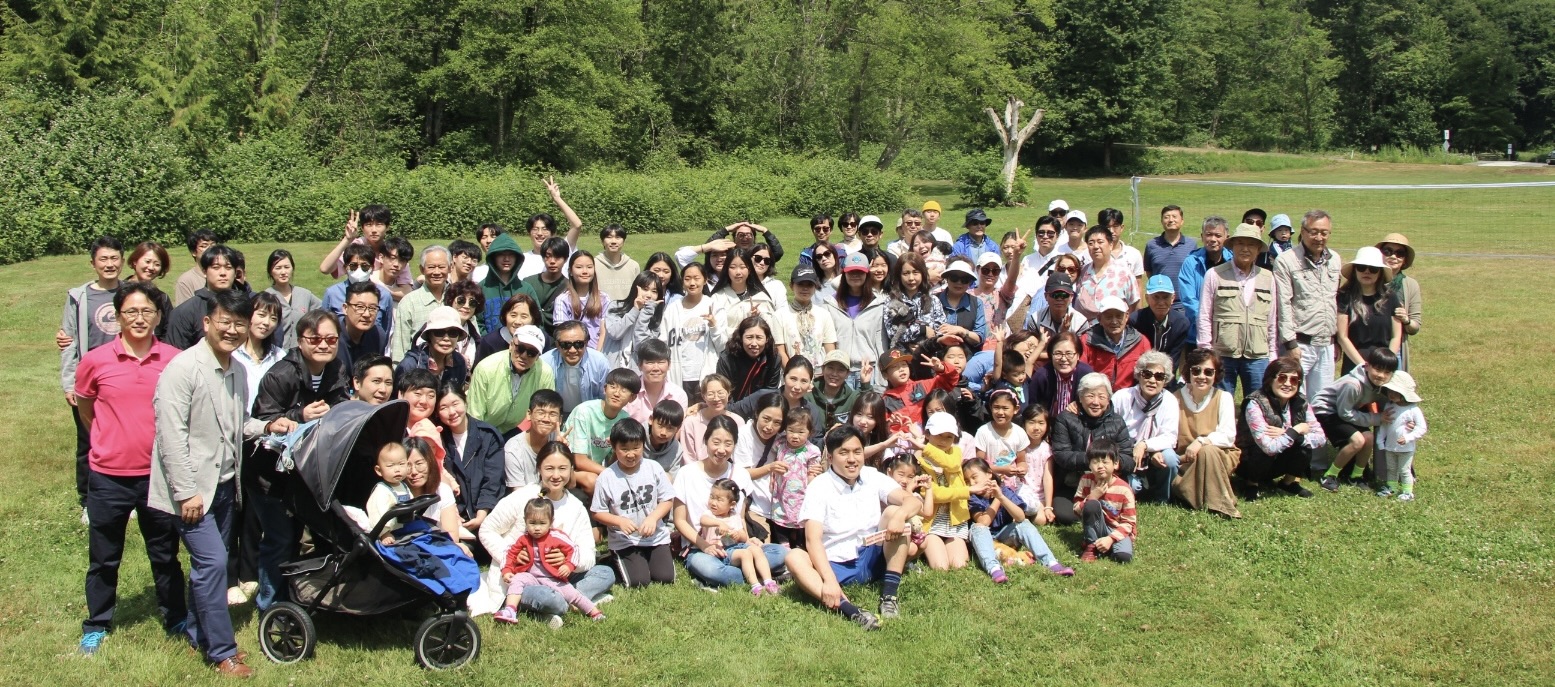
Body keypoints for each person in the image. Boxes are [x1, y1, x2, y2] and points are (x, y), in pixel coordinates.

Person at [149, 289, 295, 677]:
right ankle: (221, 651)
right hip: (192, 491)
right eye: (225, 323)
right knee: (213, 564)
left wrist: (266, 425)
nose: (232, 330)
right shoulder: (183, 369)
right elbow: (170, 436)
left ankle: (198, 633)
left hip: (224, 486)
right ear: (207, 323)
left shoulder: (236, 370)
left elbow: (235, 423)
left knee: (207, 568)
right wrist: (185, 492)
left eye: (239, 324)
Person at [74, 282, 187, 656]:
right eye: (131, 312)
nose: (139, 319)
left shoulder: (173, 359)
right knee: (104, 557)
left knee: (165, 554)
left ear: (157, 316)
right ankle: (97, 623)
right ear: (118, 317)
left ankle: (176, 618)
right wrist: (110, 441)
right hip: (108, 477)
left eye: (147, 312)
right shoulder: (95, 360)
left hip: (157, 477)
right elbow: (87, 409)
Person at [249, 309, 350, 609]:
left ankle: (301, 597)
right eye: (315, 339)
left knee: (306, 538)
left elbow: (340, 405)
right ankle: (270, 605)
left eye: (331, 339)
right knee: (280, 538)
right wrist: (299, 415)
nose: (323, 345)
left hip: (307, 470)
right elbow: (261, 421)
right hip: (269, 473)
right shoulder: (281, 374)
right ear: (300, 340)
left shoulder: (336, 369)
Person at [785, 425, 922, 629]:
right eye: (844, 452)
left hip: (871, 555)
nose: (852, 459)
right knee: (794, 558)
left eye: (857, 452)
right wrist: (830, 581)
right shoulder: (819, 486)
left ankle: (889, 597)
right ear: (830, 458)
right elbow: (812, 540)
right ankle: (849, 609)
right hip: (837, 564)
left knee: (894, 512)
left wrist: (900, 515)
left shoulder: (871, 475)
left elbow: (913, 502)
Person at [479, 443, 616, 624]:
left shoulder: (576, 507)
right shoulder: (523, 496)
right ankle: (575, 601)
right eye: (549, 468)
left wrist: (569, 563)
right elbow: (487, 529)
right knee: (549, 598)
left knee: (606, 573)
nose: (556, 475)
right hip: (525, 577)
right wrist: (510, 555)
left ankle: (568, 601)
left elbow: (588, 553)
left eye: (562, 468)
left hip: (560, 576)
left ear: (571, 469)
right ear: (539, 469)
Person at [61, 236, 125, 520]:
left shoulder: (131, 292)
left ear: (122, 261)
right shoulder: (78, 297)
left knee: (125, 436)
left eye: (114, 258)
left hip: (124, 377)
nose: (109, 264)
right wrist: (69, 382)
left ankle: (126, 494)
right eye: (104, 259)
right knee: (88, 440)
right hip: (90, 380)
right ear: (93, 263)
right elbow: (70, 341)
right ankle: (88, 501)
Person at [1273, 210, 1342, 449]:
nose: (1319, 237)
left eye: (1324, 232)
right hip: (1300, 343)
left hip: (1326, 342)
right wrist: (1290, 344)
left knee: (1321, 401)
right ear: (1303, 232)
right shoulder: (1287, 261)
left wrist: (1337, 341)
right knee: (1295, 400)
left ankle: (1317, 456)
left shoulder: (1335, 260)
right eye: (1314, 232)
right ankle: (1293, 454)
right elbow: (1284, 304)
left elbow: (1335, 300)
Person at [590, 419, 676, 587]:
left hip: (654, 537)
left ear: (643, 445)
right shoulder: (606, 477)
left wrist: (652, 518)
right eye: (624, 449)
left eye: (636, 448)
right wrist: (619, 521)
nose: (631, 454)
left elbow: (667, 499)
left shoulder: (653, 468)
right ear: (614, 448)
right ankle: (613, 558)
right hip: (625, 540)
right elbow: (597, 512)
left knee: (665, 577)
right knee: (638, 581)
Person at [1198, 223, 1279, 397]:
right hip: (1223, 353)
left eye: (1251, 244)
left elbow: (1271, 320)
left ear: (1258, 249)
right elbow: (1204, 315)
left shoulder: (1268, 278)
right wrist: (1207, 351)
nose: (1245, 249)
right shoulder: (1214, 274)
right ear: (1232, 246)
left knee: (1259, 404)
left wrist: (1272, 354)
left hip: (1258, 355)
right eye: (1240, 243)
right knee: (1221, 404)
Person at [494, 498, 605, 624]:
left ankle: (595, 612)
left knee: (573, 594)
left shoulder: (556, 536)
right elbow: (509, 553)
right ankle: (510, 610)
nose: (537, 528)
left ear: (551, 522)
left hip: (553, 578)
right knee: (517, 580)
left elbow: (573, 549)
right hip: (531, 577)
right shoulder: (524, 538)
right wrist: (507, 570)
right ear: (525, 521)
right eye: (532, 523)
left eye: (542, 523)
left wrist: (569, 565)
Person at [964, 458, 1074, 581]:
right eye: (967, 481)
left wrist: (1001, 496)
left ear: (989, 474)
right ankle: (994, 569)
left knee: (1024, 524)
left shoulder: (1005, 491)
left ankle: (1051, 563)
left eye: (974, 477)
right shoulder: (972, 497)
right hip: (986, 541)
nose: (972, 483)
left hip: (1005, 535)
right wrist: (997, 499)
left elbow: (1020, 516)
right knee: (977, 528)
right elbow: (983, 522)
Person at [1049, 372, 1135, 525]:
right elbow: (1062, 455)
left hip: (1107, 483)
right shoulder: (1065, 418)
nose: (1096, 402)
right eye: (1090, 396)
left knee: (1111, 513)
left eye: (1101, 397)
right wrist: (1094, 460)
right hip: (1074, 482)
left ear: (1108, 399)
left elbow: (1128, 459)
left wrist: (1108, 465)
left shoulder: (1117, 421)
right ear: (1080, 398)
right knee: (1066, 516)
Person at [1312, 348, 1398, 492]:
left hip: (1346, 410)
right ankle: (1330, 476)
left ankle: (1356, 476)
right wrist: (1376, 418)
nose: (1381, 375)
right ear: (1367, 365)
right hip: (1326, 411)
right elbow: (1344, 413)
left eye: (1387, 372)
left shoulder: (1378, 384)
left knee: (1369, 438)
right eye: (1377, 369)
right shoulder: (1353, 385)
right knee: (1357, 441)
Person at [1236, 354, 1319, 502]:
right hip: (1249, 461)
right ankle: (1251, 484)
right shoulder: (1254, 403)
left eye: (1294, 380)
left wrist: (1290, 434)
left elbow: (1320, 438)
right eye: (1282, 378)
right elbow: (1268, 447)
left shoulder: (1301, 402)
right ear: (1270, 379)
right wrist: (1295, 430)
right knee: (1262, 449)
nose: (1288, 384)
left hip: (1279, 457)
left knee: (1304, 446)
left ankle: (1288, 482)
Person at [436, 384, 505, 538]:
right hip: (453, 516)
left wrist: (481, 515)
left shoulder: (488, 435)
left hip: (487, 513)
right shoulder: (437, 438)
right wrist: (452, 514)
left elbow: (493, 479)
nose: (452, 412)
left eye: (455, 404)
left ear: (465, 402)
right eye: (444, 407)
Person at [1112, 351, 1180, 504]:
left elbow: (1170, 437)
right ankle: (1137, 488)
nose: (1152, 380)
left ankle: (1162, 498)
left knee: (1168, 458)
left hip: (1153, 451)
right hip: (1126, 452)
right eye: (1147, 374)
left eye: (1159, 376)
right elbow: (1110, 431)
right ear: (1139, 375)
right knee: (1133, 488)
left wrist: (1146, 446)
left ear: (1165, 380)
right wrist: (1131, 450)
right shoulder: (1121, 397)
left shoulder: (1170, 401)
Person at [563, 368, 642, 494]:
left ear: (632, 398)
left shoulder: (624, 419)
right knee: (593, 481)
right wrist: (612, 474)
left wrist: (616, 450)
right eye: (613, 387)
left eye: (624, 390)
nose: (617, 393)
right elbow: (579, 460)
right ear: (605, 389)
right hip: (570, 469)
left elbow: (613, 462)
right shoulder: (584, 412)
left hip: (599, 470)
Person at [468, 324, 555, 436]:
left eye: (531, 353)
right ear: (511, 345)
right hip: (484, 430)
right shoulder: (486, 368)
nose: (524, 356)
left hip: (519, 430)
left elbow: (544, 412)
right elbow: (475, 415)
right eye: (520, 349)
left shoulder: (545, 372)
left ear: (538, 356)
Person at [823, 252, 886, 387]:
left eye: (860, 272)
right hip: (839, 371)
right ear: (844, 274)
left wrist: (882, 380)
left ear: (867, 274)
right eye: (851, 272)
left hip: (869, 371)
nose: (855, 276)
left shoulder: (878, 304)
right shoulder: (830, 303)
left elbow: (881, 344)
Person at [1335, 246, 1402, 375]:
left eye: (1373, 269)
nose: (1367, 272)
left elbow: (1396, 336)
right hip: (1355, 365)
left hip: (1384, 365)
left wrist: (1385, 364)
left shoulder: (1391, 297)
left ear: (1380, 272)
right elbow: (1342, 337)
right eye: (1361, 267)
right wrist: (1364, 366)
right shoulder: (1344, 297)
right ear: (1355, 271)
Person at [317, 205, 414, 292]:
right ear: (362, 228)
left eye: (379, 225)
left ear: (387, 227)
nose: (374, 230)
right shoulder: (356, 248)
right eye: (369, 225)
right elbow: (325, 269)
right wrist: (347, 239)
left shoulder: (393, 252)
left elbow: (406, 291)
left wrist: (378, 288)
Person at [166, 244, 240, 349]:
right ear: (205, 271)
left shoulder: (247, 305)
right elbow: (175, 354)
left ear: (235, 272)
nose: (223, 273)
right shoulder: (185, 312)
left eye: (228, 267)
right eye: (216, 267)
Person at [1073, 439, 1136, 564]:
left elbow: (1129, 522)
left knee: (1123, 557)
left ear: (1116, 464)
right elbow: (1076, 509)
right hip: (1095, 525)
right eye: (1095, 462)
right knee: (1091, 504)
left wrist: (1111, 539)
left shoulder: (1124, 489)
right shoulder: (1085, 480)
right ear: (1089, 465)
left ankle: (1106, 545)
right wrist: (1093, 496)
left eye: (1105, 462)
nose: (1100, 466)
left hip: (1116, 529)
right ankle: (1091, 545)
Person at [390, 245, 453, 361]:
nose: (437, 272)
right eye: (431, 267)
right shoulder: (409, 302)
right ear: (422, 269)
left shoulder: (459, 299)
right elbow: (400, 347)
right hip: (418, 372)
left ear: (450, 268)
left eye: (441, 267)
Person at [319, 242, 394, 334]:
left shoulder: (384, 295)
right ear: (345, 268)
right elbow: (323, 325)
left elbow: (385, 329)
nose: (359, 270)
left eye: (365, 266)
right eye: (353, 266)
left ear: (372, 268)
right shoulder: (332, 293)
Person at [1081, 296, 1152, 392]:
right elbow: (1080, 374)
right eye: (1109, 317)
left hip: (1129, 397)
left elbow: (1149, 374)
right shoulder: (1087, 341)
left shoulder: (1141, 342)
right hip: (1096, 396)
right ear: (1099, 319)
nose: (1114, 321)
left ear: (1126, 317)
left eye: (1119, 316)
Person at [543, 321, 611, 418]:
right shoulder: (545, 362)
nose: (572, 350)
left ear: (586, 343)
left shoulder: (599, 362)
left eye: (578, 344)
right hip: (554, 417)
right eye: (566, 345)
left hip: (589, 417)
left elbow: (604, 397)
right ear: (557, 345)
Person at [1376, 233, 1423, 372]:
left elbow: (1415, 326)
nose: (1393, 256)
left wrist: (1406, 320)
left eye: (1399, 253)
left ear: (1405, 259)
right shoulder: (1367, 277)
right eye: (1387, 251)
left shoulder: (1410, 285)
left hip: (1395, 348)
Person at [1375, 371, 1425, 500]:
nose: (1391, 394)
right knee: (1391, 469)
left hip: (1406, 448)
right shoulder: (1389, 406)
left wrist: (1408, 437)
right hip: (1390, 446)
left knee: (1404, 470)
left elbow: (1422, 428)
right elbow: (1385, 425)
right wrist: (1380, 441)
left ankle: (1408, 492)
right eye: (1390, 391)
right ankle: (1392, 488)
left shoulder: (1413, 410)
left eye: (1396, 392)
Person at [395, 305, 469, 390]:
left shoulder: (460, 362)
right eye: (439, 332)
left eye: (453, 332)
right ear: (429, 335)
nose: (446, 338)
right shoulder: (410, 365)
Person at [1074, 225, 1139, 322]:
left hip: (1115, 331)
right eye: (1091, 243)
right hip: (1086, 333)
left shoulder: (1124, 274)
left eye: (1100, 242)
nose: (1096, 247)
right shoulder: (1082, 273)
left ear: (1111, 245)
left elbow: (1134, 305)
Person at [502, 390, 564, 490]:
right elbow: (518, 495)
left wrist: (563, 453)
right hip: (527, 502)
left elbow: (571, 484)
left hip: (554, 495)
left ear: (560, 420)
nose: (546, 419)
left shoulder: (560, 440)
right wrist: (543, 495)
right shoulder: (513, 449)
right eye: (541, 413)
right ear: (529, 414)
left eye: (552, 414)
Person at [677, 373, 743, 464]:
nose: (716, 398)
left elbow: (740, 456)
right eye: (711, 394)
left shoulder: (738, 422)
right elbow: (688, 459)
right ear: (703, 396)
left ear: (728, 393)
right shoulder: (691, 422)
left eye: (720, 393)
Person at [1175, 216, 1230, 325]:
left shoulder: (1233, 262)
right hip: (1198, 329)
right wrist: (1205, 323)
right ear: (1202, 236)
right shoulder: (1191, 263)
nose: (1213, 239)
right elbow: (1188, 299)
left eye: (1218, 235)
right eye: (1209, 234)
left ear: (1227, 238)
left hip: (1228, 328)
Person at [1130, 275, 1194, 368]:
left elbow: (1174, 359)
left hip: (1166, 373)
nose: (1161, 302)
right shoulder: (1135, 321)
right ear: (1147, 298)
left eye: (1166, 297)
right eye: (1156, 297)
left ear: (1173, 298)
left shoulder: (1181, 324)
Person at [780, 264, 837, 366]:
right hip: (792, 375)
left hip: (819, 375)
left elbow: (830, 349)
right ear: (791, 286)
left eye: (809, 285)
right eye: (800, 284)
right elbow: (780, 351)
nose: (805, 288)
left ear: (815, 287)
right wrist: (792, 374)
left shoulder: (824, 314)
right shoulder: (780, 315)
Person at [262, 249, 321, 349]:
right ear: (270, 271)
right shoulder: (266, 297)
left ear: (292, 269)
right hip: (275, 355)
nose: (283, 272)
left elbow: (323, 311)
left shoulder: (304, 294)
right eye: (278, 268)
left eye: (287, 267)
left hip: (301, 353)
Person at [1026, 331, 1094, 416]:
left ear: (1078, 355)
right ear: (1051, 355)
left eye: (1069, 353)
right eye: (1058, 353)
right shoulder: (1042, 376)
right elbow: (1031, 408)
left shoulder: (1087, 376)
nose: (1063, 359)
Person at [602, 273, 662, 369]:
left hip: (636, 373)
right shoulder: (616, 306)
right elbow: (615, 333)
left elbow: (643, 347)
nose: (649, 295)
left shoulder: (654, 319)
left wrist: (645, 314)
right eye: (645, 289)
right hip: (613, 370)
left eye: (654, 291)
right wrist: (635, 310)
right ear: (636, 288)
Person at [621, 339, 688, 426]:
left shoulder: (678, 395)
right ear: (639, 365)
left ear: (669, 365)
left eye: (661, 362)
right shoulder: (627, 391)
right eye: (650, 362)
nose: (656, 368)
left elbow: (677, 429)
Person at [716, 315, 782, 402]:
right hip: (731, 408)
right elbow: (723, 392)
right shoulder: (727, 358)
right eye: (749, 337)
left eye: (759, 338)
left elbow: (770, 392)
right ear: (741, 338)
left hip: (760, 409)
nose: (754, 343)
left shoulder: (773, 358)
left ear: (766, 339)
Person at [554, 250, 610, 348]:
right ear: (570, 271)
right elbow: (562, 333)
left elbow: (604, 332)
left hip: (598, 353)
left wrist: (598, 354)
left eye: (589, 267)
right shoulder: (562, 300)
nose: (585, 271)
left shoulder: (604, 298)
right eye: (579, 267)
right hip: (572, 352)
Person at [479, 231, 532, 333]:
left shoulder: (526, 288)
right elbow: (477, 322)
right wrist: (488, 343)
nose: (506, 259)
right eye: (501, 254)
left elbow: (536, 321)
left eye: (511, 255)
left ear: (517, 258)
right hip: (490, 346)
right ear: (493, 257)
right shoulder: (481, 288)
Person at [1014, 216, 1074, 306]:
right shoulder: (1027, 260)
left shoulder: (1063, 260)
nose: (1045, 237)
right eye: (1041, 233)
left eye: (1050, 233)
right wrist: (1016, 255)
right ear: (1036, 235)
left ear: (1057, 236)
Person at [364, 442, 416, 543]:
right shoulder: (381, 491)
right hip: (391, 532)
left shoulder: (404, 486)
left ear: (408, 465)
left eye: (401, 464)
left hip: (405, 527)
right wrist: (384, 533)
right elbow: (377, 513)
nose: (397, 469)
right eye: (390, 466)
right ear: (379, 470)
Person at [474, 293, 543, 368]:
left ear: (533, 319)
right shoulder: (489, 342)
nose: (517, 322)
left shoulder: (541, 339)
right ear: (505, 316)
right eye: (513, 315)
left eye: (524, 316)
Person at [124, 241, 175, 340]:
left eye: (157, 264)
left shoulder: (162, 299)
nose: (151, 268)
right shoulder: (119, 292)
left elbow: (167, 331)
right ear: (135, 261)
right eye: (147, 262)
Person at [336, 280, 388, 374]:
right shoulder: (333, 338)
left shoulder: (378, 336)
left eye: (372, 308)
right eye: (360, 307)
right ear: (345, 308)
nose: (367, 314)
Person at [1022, 269, 1090, 339]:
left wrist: (1064, 334)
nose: (1059, 299)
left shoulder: (1081, 323)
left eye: (1064, 295)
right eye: (1055, 295)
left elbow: (1079, 349)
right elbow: (1033, 349)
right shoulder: (1035, 320)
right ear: (1046, 296)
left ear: (1071, 297)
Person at [937, 259, 988, 349]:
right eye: (954, 278)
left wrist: (961, 331)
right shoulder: (933, 299)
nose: (959, 283)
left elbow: (980, 337)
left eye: (964, 280)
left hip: (967, 357)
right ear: (947, 279)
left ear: (969, 282)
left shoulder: (977, 303)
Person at [1098, 208, 1146, 298]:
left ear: (1122, 227)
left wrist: (1138, 311)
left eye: (1115, 226)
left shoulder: (1134, 254)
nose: (1111, 231)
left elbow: (1138, 286)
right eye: (1107, 227)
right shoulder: (1094, 253)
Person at [1144, 204, 1197, 283]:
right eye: (1166, 217)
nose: (1171, 220)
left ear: (1182, 221)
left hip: (1184, 294)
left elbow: (1194, 271)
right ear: (1161, 221)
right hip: (1161, 294)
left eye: (1174, 216)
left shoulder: (1191, 245)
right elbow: (1148, 271)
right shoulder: (1152, 245)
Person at [811, 350, 858, 429]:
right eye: (830, 368)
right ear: (823, 369)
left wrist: (865, 385)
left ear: (847, 374)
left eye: (841, 370)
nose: (834, 374)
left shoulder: (852, 398)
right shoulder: (809, 396)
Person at [594, 224, 640, 301]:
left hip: (627, 312)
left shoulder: (633, 266)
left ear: (624, 241)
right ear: (602, 241)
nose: (613, 241)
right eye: (609, 237)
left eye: (618, 237)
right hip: (601, 311)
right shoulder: (593, 264)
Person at [173, 229, 218, 305]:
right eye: (204, 246)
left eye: (213, 245)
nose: (210, 249)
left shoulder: (225, 275)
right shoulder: (185, 281)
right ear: (193, 252)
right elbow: (184, 313)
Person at [643, 400, 685, 475]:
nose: (663, 433)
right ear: (651, 420)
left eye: (670, 428)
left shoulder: (677, 450)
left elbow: (672, 479)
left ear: (678, 428)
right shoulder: (636, 437)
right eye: (660, 425)